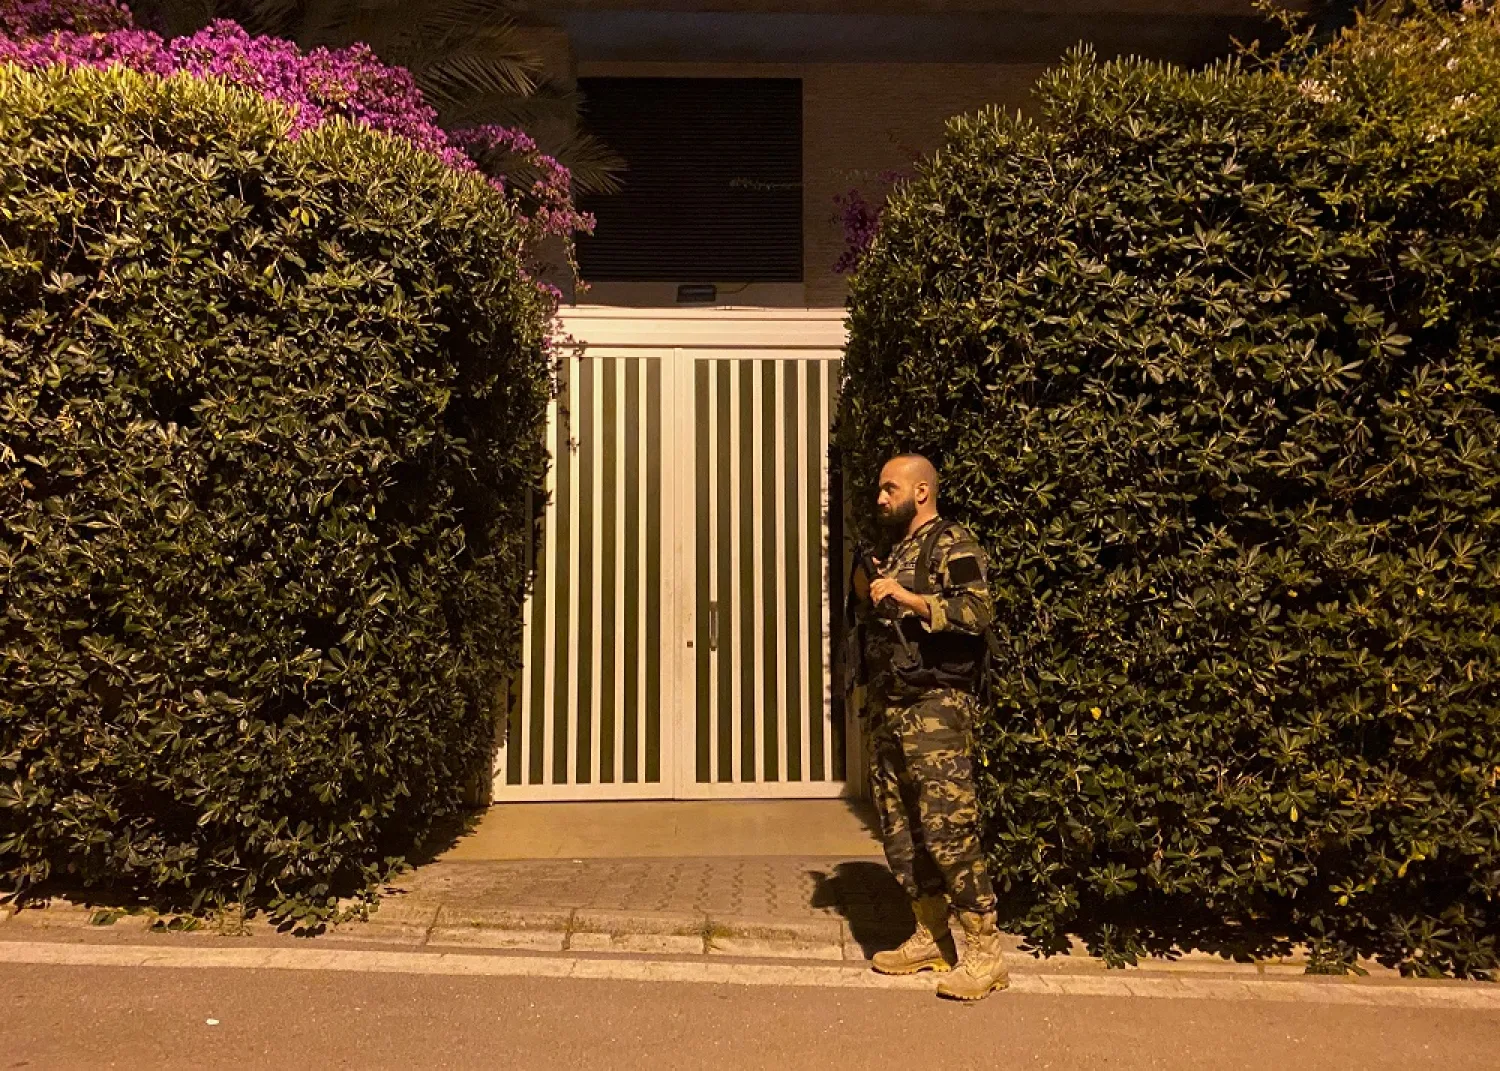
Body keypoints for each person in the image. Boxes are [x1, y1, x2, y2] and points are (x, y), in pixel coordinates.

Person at [849, 453, 1008, 1002]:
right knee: (901, 832)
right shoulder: (895, 551)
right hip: (893, 707)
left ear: (921, 492)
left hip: (937, 708)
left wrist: (909, 598)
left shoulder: (951, 543)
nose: (879, 498)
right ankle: (932, 937)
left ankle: (985, 954)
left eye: (888, 488)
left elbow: (977, 612)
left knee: (948, 831)